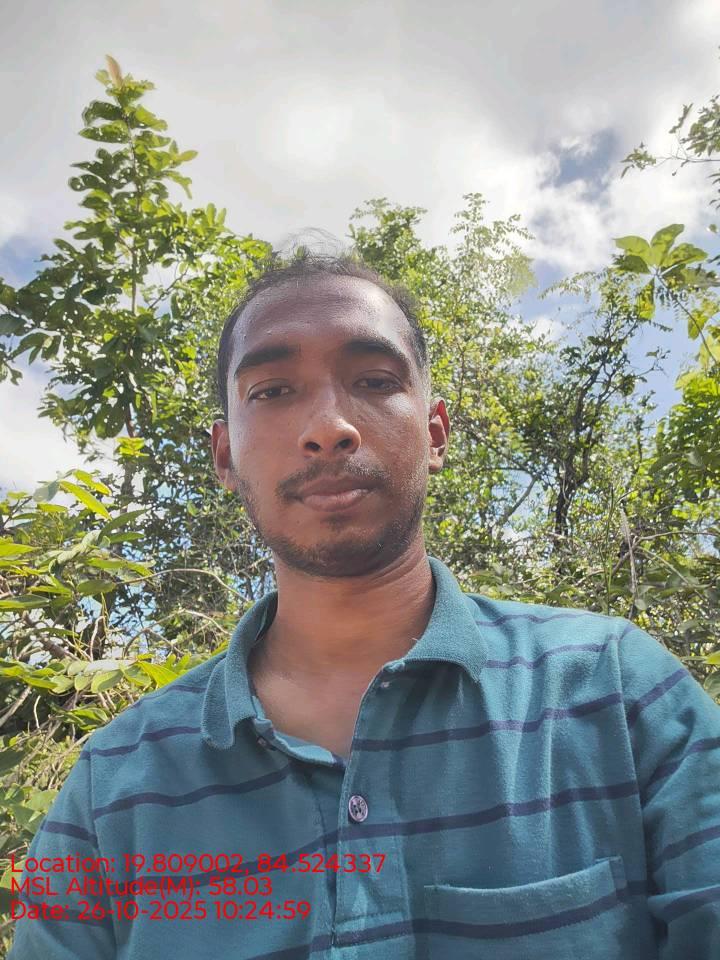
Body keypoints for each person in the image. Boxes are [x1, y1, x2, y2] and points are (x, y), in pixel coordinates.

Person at [9, 255, 720, 959]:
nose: (328, 428)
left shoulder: (620, 694)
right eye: (272, 391)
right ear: (224, 456)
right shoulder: (111, 789)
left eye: (376, 381)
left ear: (435, 433)